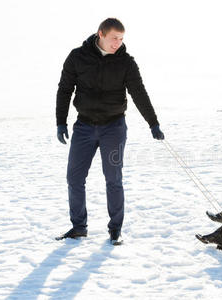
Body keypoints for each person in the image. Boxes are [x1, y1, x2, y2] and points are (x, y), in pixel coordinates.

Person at [55, 18, 164, 245]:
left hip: (113, 127)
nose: (118, 43)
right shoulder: (77, 57)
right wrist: (60, 122)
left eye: (121, 39)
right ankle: (79, 227)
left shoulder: (126, 63)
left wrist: (153, 123)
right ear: (101, 34)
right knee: (74, 178)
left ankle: (115, 229)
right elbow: (64, 89)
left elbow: (139, 93)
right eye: (114, 38)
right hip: (84, 127)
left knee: (113, 179)